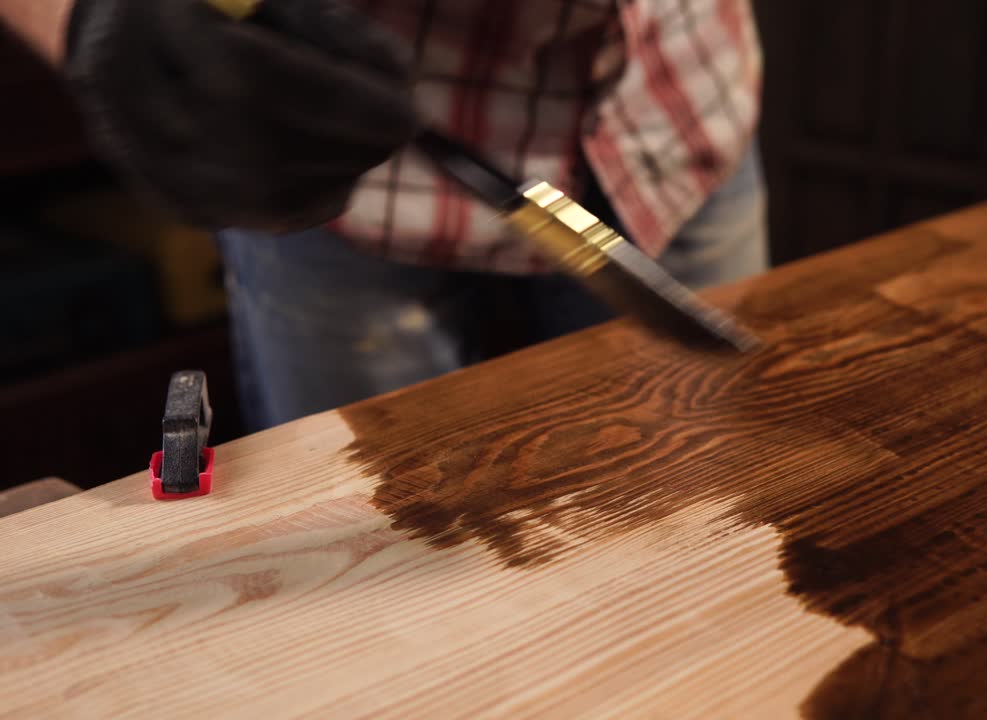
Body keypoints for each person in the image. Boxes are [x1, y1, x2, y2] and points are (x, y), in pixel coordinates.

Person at [0, 0, 768, 431]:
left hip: (673, 104)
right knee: (367, 543)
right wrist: (85, 20)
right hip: (331, 139)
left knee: (703, 493)